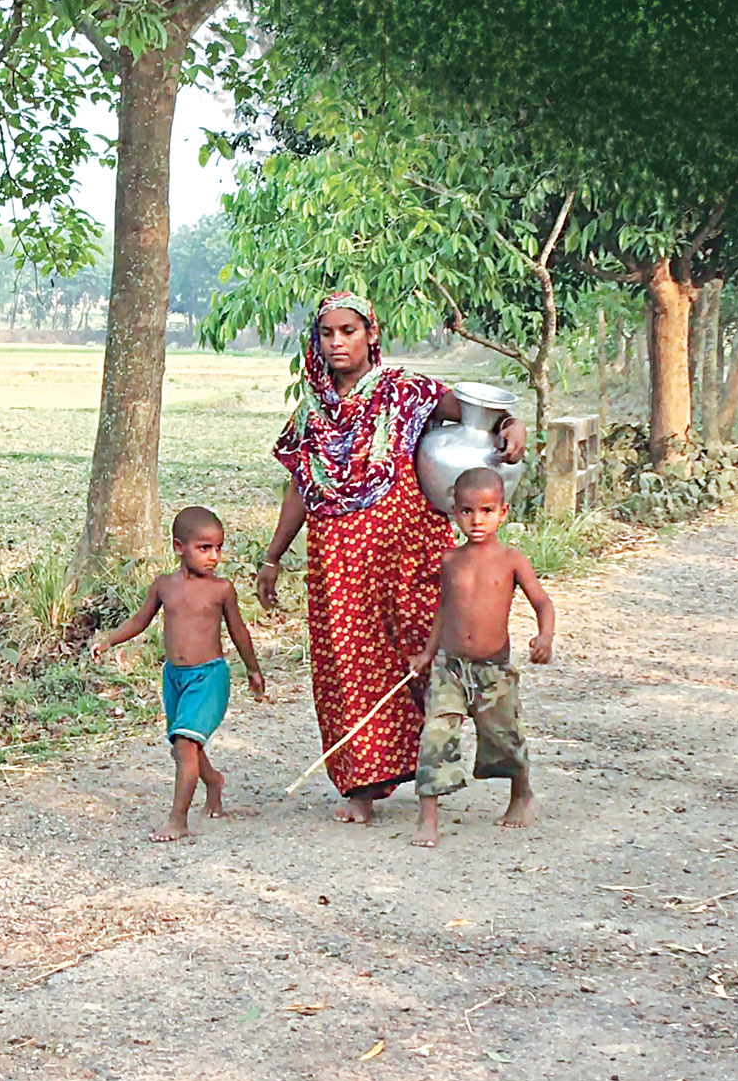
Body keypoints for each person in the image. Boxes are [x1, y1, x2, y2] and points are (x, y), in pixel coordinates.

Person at [257, 291, 525, 823]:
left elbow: (478, 417)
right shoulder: (311, 411)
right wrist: (272, 557)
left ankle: (483, 766)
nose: (338, 342)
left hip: (409, 550)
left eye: (348, 331)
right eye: (328, 333)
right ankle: (363, 789)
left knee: (434, 658)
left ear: (370, 335)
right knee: (349, 668)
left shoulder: (406, 392)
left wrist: (511, 424)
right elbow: (298, 488)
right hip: (338, 562)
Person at [93, 506, 267, 842]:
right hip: (174, 677)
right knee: (181, 745)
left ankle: (177, 820)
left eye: (218, 548)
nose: (213, 556)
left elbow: (239, 632)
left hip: (209, 677)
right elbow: (140, 621)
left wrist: (253, 670)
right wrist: (109, 640)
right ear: (178, 547)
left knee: (186, 743)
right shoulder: (164, 586)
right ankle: (213, 780)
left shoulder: (221, 589)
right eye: (204, 548)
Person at [407, 467, 555, 848]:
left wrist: (545, 636)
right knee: (435, 734)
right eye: (468, 511)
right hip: (450, 668)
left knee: (504, 736)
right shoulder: (450, 560)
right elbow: (444, 608)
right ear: (454, 512)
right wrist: (427, 651)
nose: (477, 520)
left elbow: (541, 601)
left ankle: (522, 792)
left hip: (493, 669)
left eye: (487, 511)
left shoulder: (511, 560)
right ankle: (428, 816)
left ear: (503, 512)